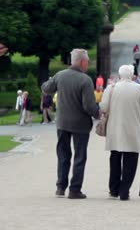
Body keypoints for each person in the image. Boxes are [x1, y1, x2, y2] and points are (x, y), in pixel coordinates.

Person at [41, 49, 100, 199]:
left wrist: (50, 80)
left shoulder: (60, 75)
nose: (87, 65)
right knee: (79, 156)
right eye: (87, 62)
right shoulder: (85, 80)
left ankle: (60, 187)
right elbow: (89, 106)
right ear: (82, 62)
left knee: (63, 155)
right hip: (80, 124)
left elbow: (46, 88)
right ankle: (74, 189)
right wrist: (99, 114)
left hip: (62, 123)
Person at [99, 65, 140, 201]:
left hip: (114, 129)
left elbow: (103, 107)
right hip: (133, 129)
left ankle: (113, 190)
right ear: (132, 75)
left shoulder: (111, 88)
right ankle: (124, 191)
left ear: (119, 75)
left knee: (115, 159)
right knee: (131, 160)